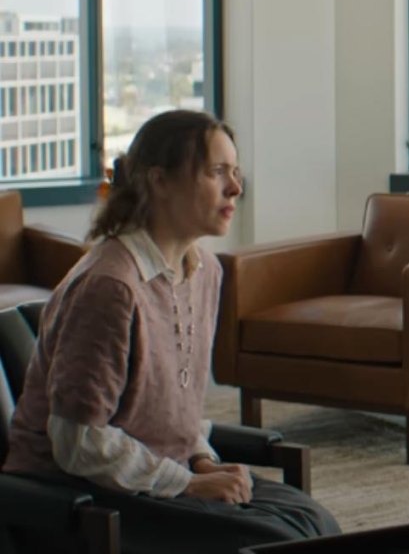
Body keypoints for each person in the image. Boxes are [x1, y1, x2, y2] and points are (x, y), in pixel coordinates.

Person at [2, 110, 340, 552]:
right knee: (276, 540)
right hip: (78, 499)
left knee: (314, 521)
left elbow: (170, 410)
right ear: (159, 181)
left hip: (158, 476)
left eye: (235, 172)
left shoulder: (205, 272)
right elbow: (78, 443)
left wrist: (200, 460)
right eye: (217, 172)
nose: (235, 188)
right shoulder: (110, 285)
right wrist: (186, 483)